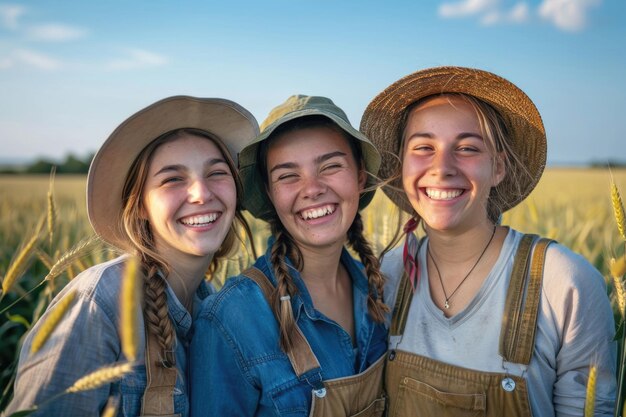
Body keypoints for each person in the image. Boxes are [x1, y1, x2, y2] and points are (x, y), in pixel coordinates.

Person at [360, 66, 617, 416]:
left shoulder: (563, 283)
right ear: (401, 164)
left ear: (498, 167)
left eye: (467, 148)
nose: (442, 167)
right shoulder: (386, 278)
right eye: (423, 147)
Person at [4, 96, 259, 416]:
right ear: (139, 205)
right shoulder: (101, 300)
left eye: (217, 173)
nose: (201, 194)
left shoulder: (215, 309)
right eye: (173, 179)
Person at [190, 95, 388, 416]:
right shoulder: (231, 318)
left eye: (331, 166)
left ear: (360, 176)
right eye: (287, 175)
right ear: (270, 192)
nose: (312, 189)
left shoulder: (379, 291)